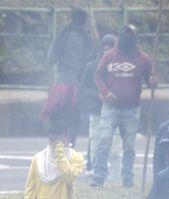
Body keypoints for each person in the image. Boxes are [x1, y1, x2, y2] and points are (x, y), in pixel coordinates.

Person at [92, 24, 155, 188]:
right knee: (104, 141)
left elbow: (150, 79)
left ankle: (127, 178)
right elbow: (98, 76)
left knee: (129, 146)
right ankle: (98, 176)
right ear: (120, 37)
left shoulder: (143, 58)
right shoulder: (109, 56)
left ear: (135, 38)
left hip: (132, 109)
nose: (127, 38)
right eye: (125, 35)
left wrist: (153, 82)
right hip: (110, 107)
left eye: (131, 35)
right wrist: (106, 93)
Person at [45, 7, 95, 145]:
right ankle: (71, 145)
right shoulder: (89, 40)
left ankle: (57, 145)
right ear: (85, 22)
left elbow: (51, 58)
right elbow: (92, 63)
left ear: (70, 19)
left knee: (57, 118)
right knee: (74, 119)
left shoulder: (63, 36)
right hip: (79, 86)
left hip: (62, 84)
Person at [78, 34, 117, 171]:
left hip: (116, 110)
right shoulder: (92, 66)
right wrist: (98, 95)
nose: (107, 50)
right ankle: (95, 168)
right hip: (96, 109)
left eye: (110, 47)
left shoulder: (121, 67)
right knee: (95, 140)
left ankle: (112, 172)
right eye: (105, 47)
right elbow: (83, 89)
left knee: (114, 144)